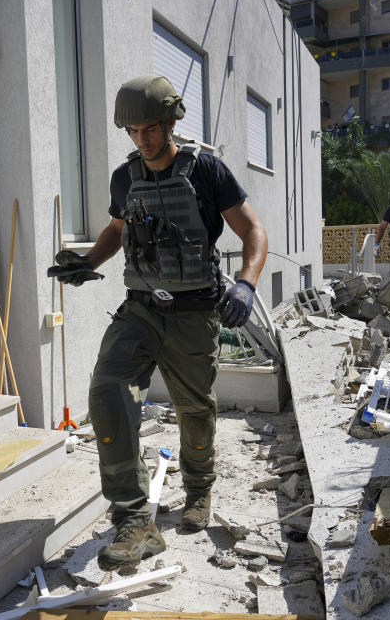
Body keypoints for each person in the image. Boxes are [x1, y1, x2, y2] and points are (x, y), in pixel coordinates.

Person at [50, 75, 268, 571]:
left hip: (194, 313)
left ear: (170, 123)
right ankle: (134, 521)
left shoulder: (207, 170)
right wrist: (89, 262)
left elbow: (253, 228)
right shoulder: (125, 178)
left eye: (151, 128)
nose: (143, 138)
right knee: (107, 392)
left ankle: (198, 489)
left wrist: (247, 283)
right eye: (133, 129)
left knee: (195, 409)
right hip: (142, 309)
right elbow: (117, 228)